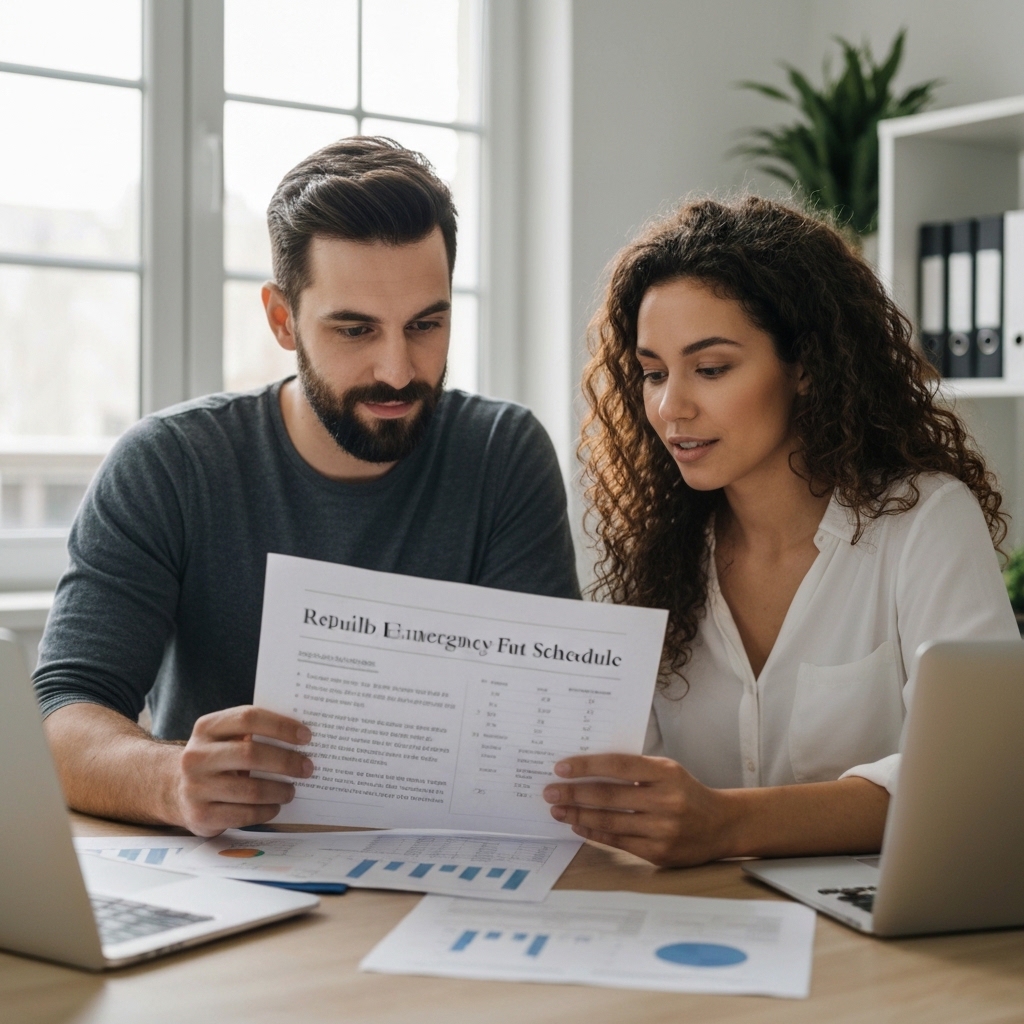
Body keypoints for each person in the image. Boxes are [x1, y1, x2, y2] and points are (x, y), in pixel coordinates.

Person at [34, 137, 579, 836]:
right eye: (355, 329)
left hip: (443, 870)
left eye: (426, 325)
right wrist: (170, 781)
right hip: (228, 873)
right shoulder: (170, 464)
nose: (396, 369)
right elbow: (62, 711)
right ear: (282, 318)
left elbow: (544, 723)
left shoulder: (503, 455)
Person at [543, 195, 1018, 866]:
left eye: (711, 369)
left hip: (881, 943)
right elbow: (628, 773)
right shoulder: (657, 549)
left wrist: (726, 824)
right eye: (653, 373)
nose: (671, 406)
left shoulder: (923, 522)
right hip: (700, 925)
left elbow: (982, 776)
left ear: (807, 368)